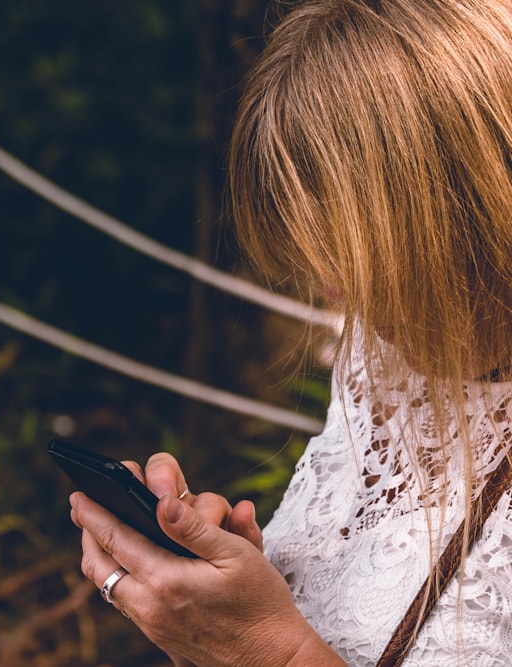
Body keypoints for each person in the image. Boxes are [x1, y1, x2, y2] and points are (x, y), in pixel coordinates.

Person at [68, 0, 512, 664]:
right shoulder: (382, 362)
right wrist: (228, 599)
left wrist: (270, 649)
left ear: (474, 210)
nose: (335, 289)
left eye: (364, 248)